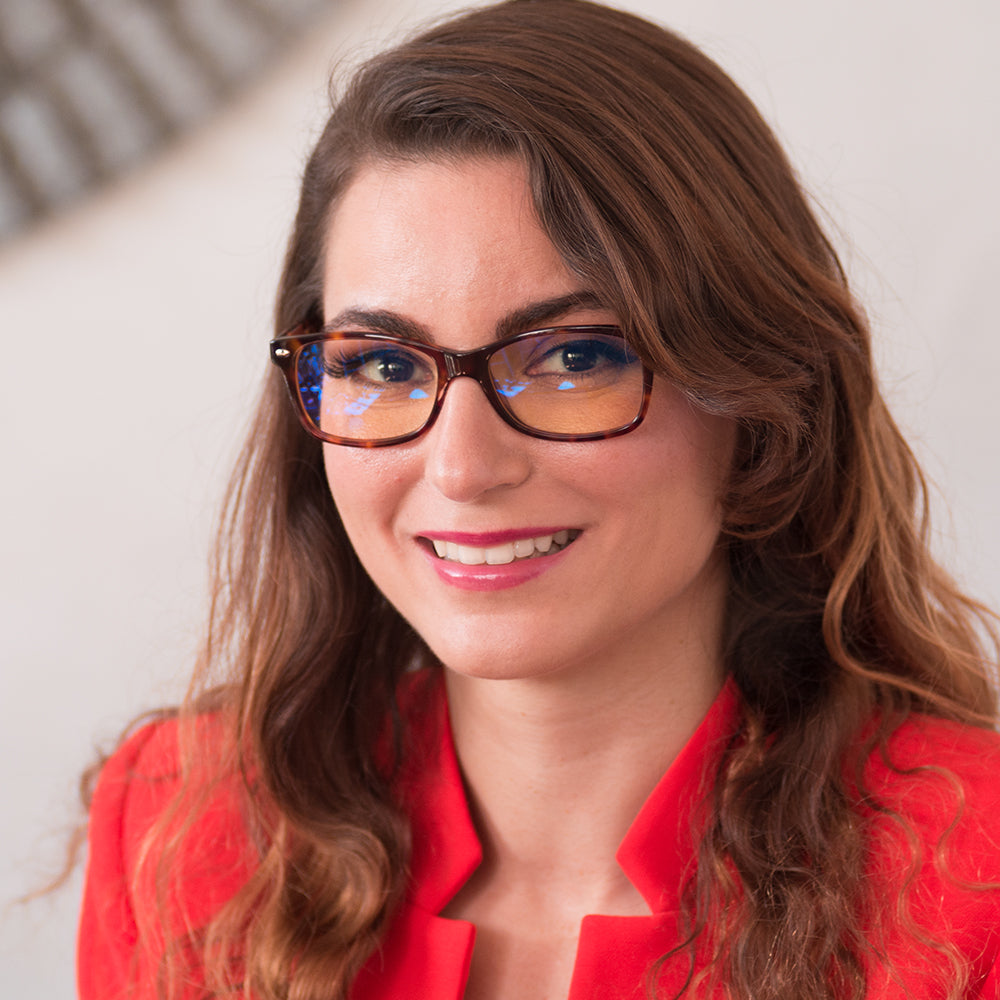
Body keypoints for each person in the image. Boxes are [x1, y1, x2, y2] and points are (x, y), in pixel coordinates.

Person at [76, 1, 1000, 998]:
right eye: (383, 363)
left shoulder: (975, 887)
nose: (461, 467)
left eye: (574, 358)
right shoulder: (185, 830)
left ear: (759, 403)